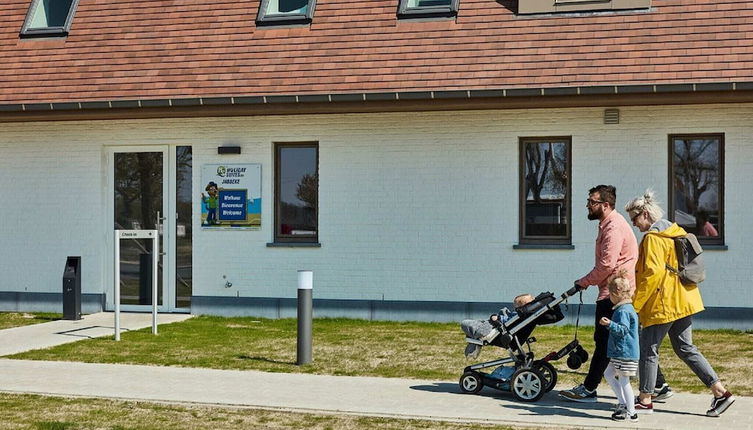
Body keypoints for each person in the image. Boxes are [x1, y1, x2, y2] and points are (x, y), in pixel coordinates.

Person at [626, 190, 735, 417]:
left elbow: (652, 275)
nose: (634, 224)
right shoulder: (675, 232)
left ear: (645, 214)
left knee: (648, 349)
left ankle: (645, 399)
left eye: (635, 219)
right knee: (686, 348)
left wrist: (634, 305)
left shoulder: (654, 239)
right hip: (685, 298)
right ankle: (721, 392)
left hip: (664, 303)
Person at [560, 185, 673, 403]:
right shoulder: (608, 224)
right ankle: (658, 384)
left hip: (615, 294)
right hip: (617, 290)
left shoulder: (613, 228)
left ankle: (589, 389)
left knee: (604, 341)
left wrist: (583, 282)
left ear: (605, 204)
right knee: (628, 340)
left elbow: (606, 265)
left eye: (592, 202)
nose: (588, 205)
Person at [599, 270, 640, 422]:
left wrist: (609, 323)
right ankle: (623, 403)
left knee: (624, 381)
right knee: (608, 374)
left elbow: (623, 330)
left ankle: (631, 412)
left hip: (625, 352)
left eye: (610, 295)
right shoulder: (626, 308)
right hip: (620, 352)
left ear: (615, 294)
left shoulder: (623, 311)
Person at [461, 294, 534, 359]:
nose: (514, 309)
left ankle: (477, 338)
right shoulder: (527, 315)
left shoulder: (520, 314)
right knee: (475, 326)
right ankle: (475, 338)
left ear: (522, 307)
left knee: (465, 323)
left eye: (516, 307)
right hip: (504, 328)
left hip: (496, 328)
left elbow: (507, 320)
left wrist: (497, 318)